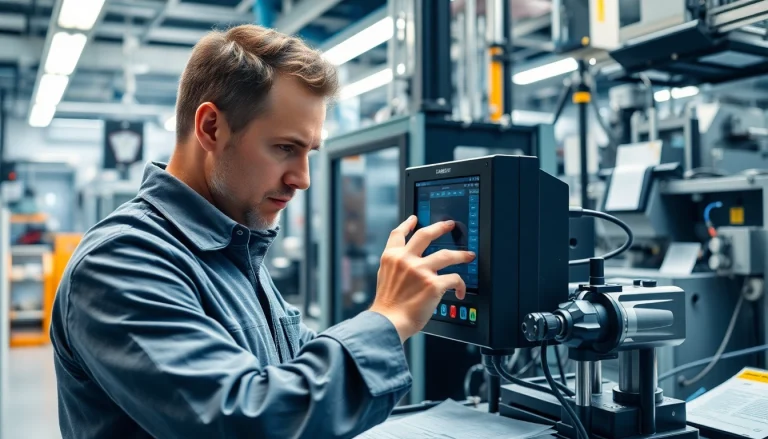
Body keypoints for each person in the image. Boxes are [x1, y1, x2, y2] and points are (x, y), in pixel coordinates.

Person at [50, 24, 475, 439]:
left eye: (309, 152)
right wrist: (387, 318)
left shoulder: (233, 245)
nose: (303, 179)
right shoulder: (121, 262)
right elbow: (245, 420)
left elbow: (291, 371)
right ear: (211, 128)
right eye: (285, 148)